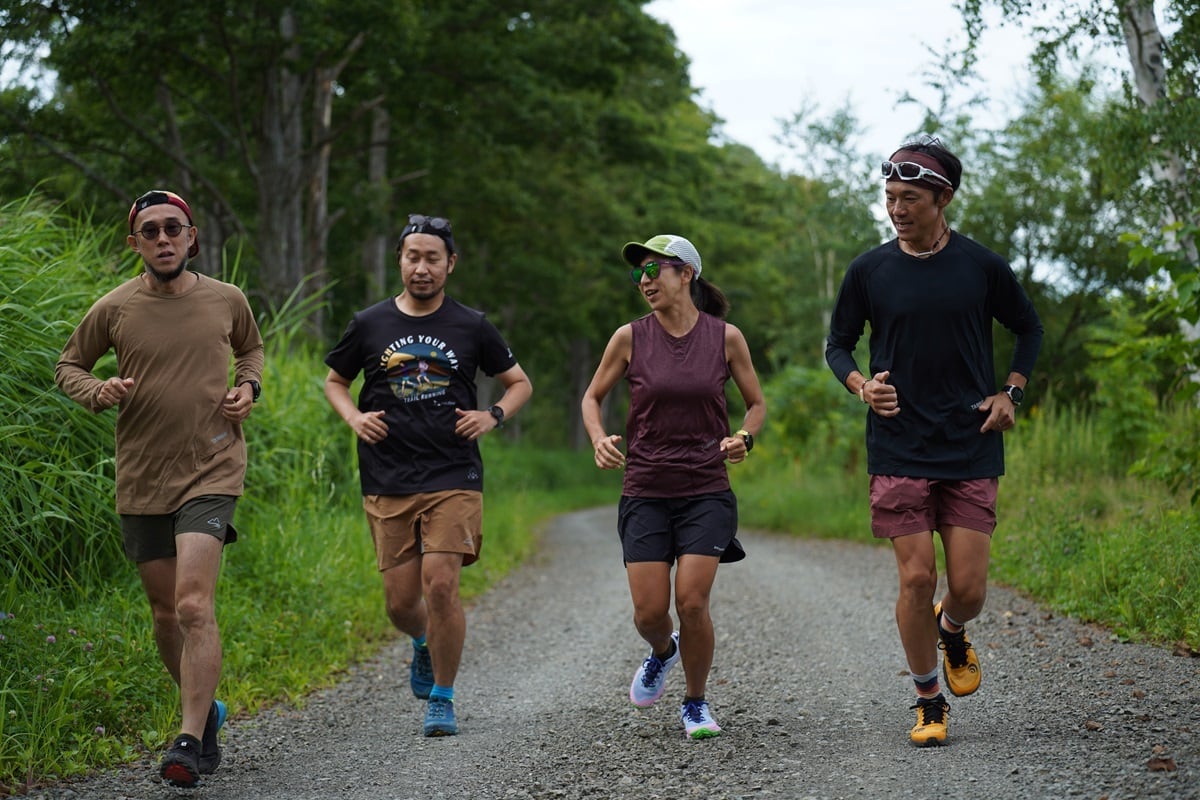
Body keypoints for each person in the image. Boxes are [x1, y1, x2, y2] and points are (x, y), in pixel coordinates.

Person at [825, 135, 1044, 746]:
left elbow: (1028, 327)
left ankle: (952, 629)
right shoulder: (868, 270)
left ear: (942, 198)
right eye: (890, 197)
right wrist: (861, 386)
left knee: (968, 589)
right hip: (897, 444)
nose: (897, 209)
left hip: (970, 439)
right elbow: (837, 345)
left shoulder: (980, 265)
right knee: (916, 578)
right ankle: (928, 698)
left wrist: (1012, 393)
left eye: (910, 198)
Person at [55, 189, 264, 786]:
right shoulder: (115, 308)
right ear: (135, 244)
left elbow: (250, 350)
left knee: (195, 604)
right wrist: (98, 391)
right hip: (143, 475)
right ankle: (207, 715)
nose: (164, 238)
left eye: (174, 228)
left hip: (213, 467)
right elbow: (68, 365)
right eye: (151, 231)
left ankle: (188, 740)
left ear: (192, 237)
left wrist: (248, 390)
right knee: (166, 614)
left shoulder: (227, 299)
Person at [323, 213, 532, 738]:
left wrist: (493, 415)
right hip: (387, 475)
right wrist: (354, 417)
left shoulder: (472, 326)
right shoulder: (369, 324)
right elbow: (335, 382)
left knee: (440, 585)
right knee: (400, 603)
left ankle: (442, 696)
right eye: (413, 257)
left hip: (453, 473)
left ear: (450, 264)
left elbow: (519, 383)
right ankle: (421, 642)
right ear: (400, 261)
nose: (422, 267)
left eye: (432, 258)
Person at [581, 234, 765, 740]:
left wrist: (743, 437)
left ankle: (695, 703)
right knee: (649, 612)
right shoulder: (629, 337)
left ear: (686, 274)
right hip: (644, 488)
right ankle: (664, 651)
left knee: (691, 601)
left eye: (654, 270)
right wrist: (598, 439)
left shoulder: (725, 338)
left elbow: (756, 404)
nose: (644, 281)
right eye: (638, 273)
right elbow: (592, 398)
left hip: (706, 486)